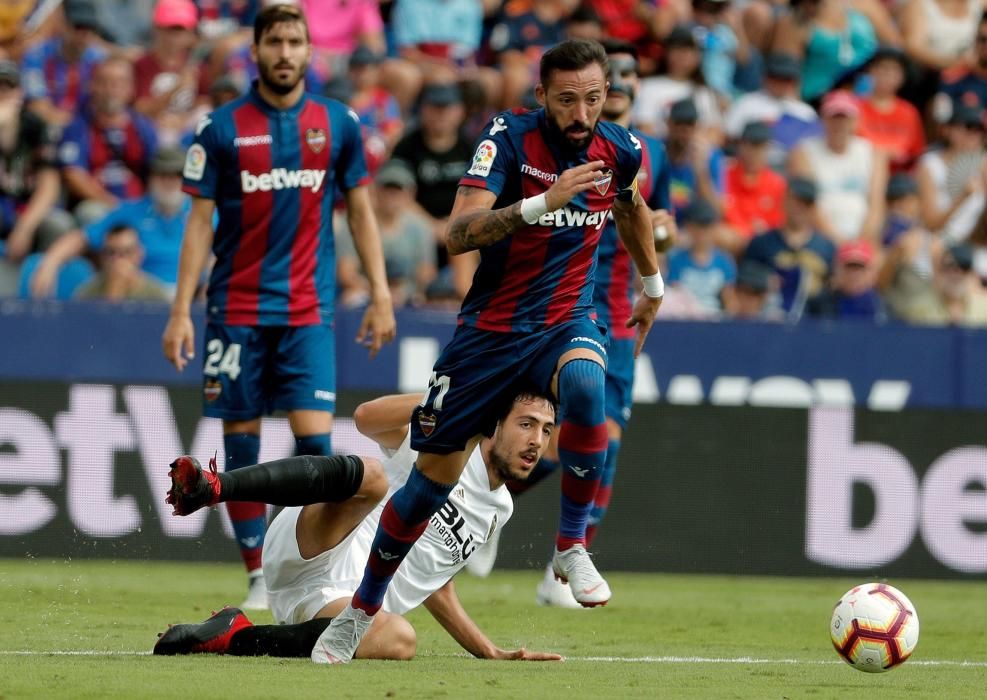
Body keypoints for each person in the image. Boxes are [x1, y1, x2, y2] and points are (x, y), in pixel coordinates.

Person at [314, 38, 664, 664]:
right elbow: (457, 233)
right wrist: (541, 204)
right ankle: (361, 609)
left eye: (592, 98)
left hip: (565, 320)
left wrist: (652, 282)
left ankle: (571, 546)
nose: (581, 113)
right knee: (427, 487)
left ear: (606, 94)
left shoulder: (622, 149)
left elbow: (632, 206)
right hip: (490, 335)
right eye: (566, 100)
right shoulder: (506, 139)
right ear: (541, 98)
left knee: (589, 393)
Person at [160, 4, 396, 611]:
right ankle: (257, 573)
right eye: (275, 42)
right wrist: (182, 309)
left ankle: (310, 564)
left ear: (309, 50)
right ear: (256, 50)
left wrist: (380, 293)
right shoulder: (221, 128)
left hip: (308, 312)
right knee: (239, 445)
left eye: (295, 41)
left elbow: (362, 212)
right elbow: (198, 224)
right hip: (235, 309)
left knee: (317, 449)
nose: (285, 52)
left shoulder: (337, 124)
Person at [154, 390, 562, 662]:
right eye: (525, 424)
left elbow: (433, 581)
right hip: (319, 540)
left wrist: (487, 650)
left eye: (546, 430)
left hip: (331, 606)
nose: (537, 441)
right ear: (494, 422)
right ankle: (216, 486)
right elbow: (366, 419)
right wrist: (449, 396)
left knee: (402, 639)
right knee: (374, 476)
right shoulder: (445, 441)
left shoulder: (500, 509)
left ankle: (232, 635)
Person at [492, 38, 674, 607]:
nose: (617, 86)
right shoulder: (528, 140)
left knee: (602, 430)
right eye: (607, 77)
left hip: (607, 308)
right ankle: (490, 508)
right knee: (513, 433)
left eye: (624, 77)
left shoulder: (641, 151)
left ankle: (564, 561)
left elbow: (642, 215)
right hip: (528, 305)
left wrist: (654, 275)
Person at [30, 147, 191, 297]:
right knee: (118, 273)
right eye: (163, 175)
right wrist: (50, 263)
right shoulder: (131, 211)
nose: (170, 181)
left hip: (191, 291)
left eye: (177, 175)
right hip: (143, 293)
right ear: (150, 178)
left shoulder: (202, 214)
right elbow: (82, 237)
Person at [57, 55, 159, 221]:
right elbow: (73, 174)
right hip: (96, 206)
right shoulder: (77, 126)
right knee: (91, 213)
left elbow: (157, 169)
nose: (111, 89)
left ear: (131, 89)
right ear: (92, 86)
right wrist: (113, 205)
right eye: (103, 82)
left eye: (119, 83)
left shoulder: (143, 127)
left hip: (139, 204)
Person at [0, 59, 72, 291]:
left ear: (19, 93)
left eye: (7, 88)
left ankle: (43, 286)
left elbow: (49, 187)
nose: (2, 94)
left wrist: (24, 228)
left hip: (28, 213)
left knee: (59, 224)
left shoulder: (36, 126)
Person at [789, 90, 887, 244]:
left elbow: (876, 205)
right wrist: (838, 242)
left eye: (845, 118)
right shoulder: (803, 152)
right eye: (834, 118)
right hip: (819, 236)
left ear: (855, 121)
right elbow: (810, 205)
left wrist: (861, 241)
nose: (840, 124)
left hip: (862, 236)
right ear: (824, 120)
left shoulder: (873, 153)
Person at [335, 160, 437, 308]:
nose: (392, 196)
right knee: (351, 298)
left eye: (397, 190)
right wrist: (379, 291)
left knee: (425, 301)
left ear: (410, 193)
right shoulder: (355, 221)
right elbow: (346, 272)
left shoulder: (420, 227)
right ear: (375, 190)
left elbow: (427, 271)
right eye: (387, 189)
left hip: (407, 293)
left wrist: (404, 291)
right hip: (367, 291)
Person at [742, 176, 836, 316]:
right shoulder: (761, 244)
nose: (799, 208)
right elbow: (745, 285)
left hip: (814, 321)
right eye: (795, 201)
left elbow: (832, 289)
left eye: (806, 203)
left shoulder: (827, 248)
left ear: (814, 208)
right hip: (770, 320)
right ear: (784, 201)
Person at [723, 52, 820, 171]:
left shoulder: (804, 111)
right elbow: (729, 136)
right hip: (755, 164)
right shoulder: (747, 103)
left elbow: (817, 142)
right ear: (765, 77)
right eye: (776, 77)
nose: (780, 83)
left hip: (793, 165)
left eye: (786, 79)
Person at [19, 0, 106, 130]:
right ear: (64, 26)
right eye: (78, 27)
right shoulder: (37, 55)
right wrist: (69, 125)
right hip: (46, 128)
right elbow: (36, 104)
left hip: (86, 128)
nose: (84, 35)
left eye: (91, 28)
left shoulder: (100, 59)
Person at [916, 102, 986, 246]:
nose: (973, 134)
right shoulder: (930, 164)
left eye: (979, 129)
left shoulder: (984, 163)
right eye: (967, 127)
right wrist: (962, 197)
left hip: (976, 242)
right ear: (947, 129)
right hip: (940, 240)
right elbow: (931, 223)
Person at [855, 46, 926, 173]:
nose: (887, 74)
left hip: (900, 177)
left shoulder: (909, 112)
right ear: (870, 72)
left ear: (903, 77)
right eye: (882, 68)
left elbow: (916, 152)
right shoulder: (855, 108)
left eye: (894, 70)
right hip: (862, 172)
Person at [721, 121, 786, 253]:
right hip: (735, 243)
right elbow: (723, 210)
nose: (754, 152)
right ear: (741, 146)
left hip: (765, 246)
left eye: (760, 147)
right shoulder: (724, 175)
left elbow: (778, 222)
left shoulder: (777, 183)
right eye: (750, 145)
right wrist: (747, 233)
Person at [667, 198, 736, 316]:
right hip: (684, 320)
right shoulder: (676, 260)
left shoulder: (724, 262)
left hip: (715, 321)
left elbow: (729, 301)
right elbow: (673, 293)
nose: (702, 232)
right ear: (688, 227)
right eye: (698, 226)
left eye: (707, 226)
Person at [73, 224, 172, 302]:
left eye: (127, 252)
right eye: (111, 252)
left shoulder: (157, 295)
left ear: (139, 254)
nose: (118, 260)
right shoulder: (87, 293)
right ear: (102, 256)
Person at [805, 239, 885, 321]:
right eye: (849, 266)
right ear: (836, 269)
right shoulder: (819, 306)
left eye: (859, 267)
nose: (854, 274)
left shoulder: (880, 308)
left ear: (870, 272)